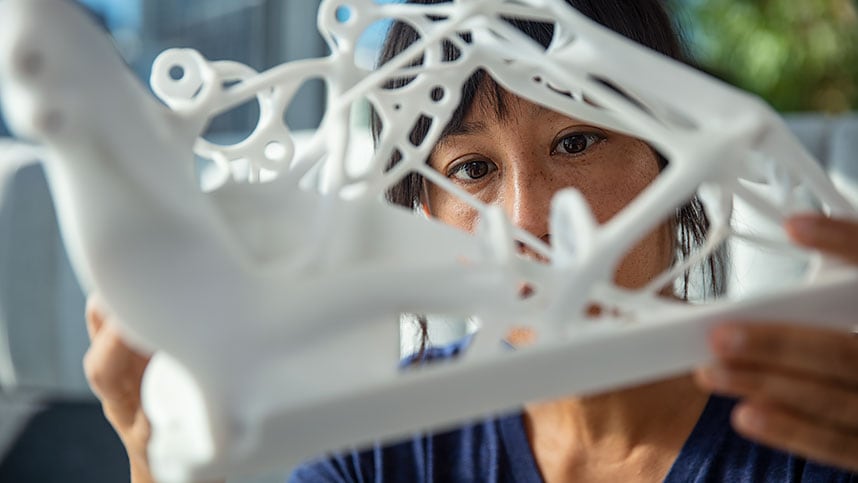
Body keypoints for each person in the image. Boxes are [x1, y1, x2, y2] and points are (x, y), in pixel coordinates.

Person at [84, 0, 858, 481]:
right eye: (473, 168)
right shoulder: (383, 440)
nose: (527, 218)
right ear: (420, 215)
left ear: (674, 162)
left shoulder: (819, 426)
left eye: (578, 141)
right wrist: (154, 454)